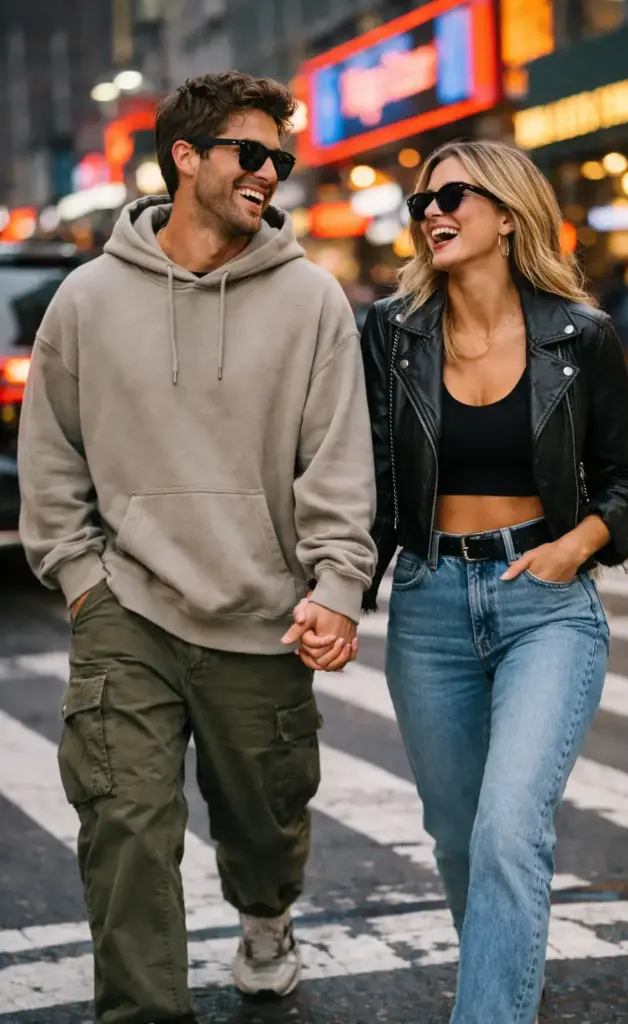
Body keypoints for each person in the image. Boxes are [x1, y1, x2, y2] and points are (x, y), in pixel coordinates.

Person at [18, 71, 376, 1024]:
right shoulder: (88, 300)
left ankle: (265, 918)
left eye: (280, 161)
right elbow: (50, 455)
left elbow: (337, 456)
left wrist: (338, 583)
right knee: (125, 825)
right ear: (185, 156)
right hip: (125, 609)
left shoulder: (310, 301)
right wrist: (83, 579)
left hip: (262, 613)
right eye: (250, 154)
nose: (269, 174)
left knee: (264, 821)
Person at [359, 140, 628, 1024]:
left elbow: (621, 479)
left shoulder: (580, 334)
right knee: (456, 838)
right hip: (430, 603)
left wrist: (578, 545)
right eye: (421, 202)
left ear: (509, 213)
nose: (431, 212)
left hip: (545, 603)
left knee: (506, 829)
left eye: (453, 195)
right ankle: (502, 977)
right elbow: (369, 479)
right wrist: (337, 593)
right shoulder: (391, 332)